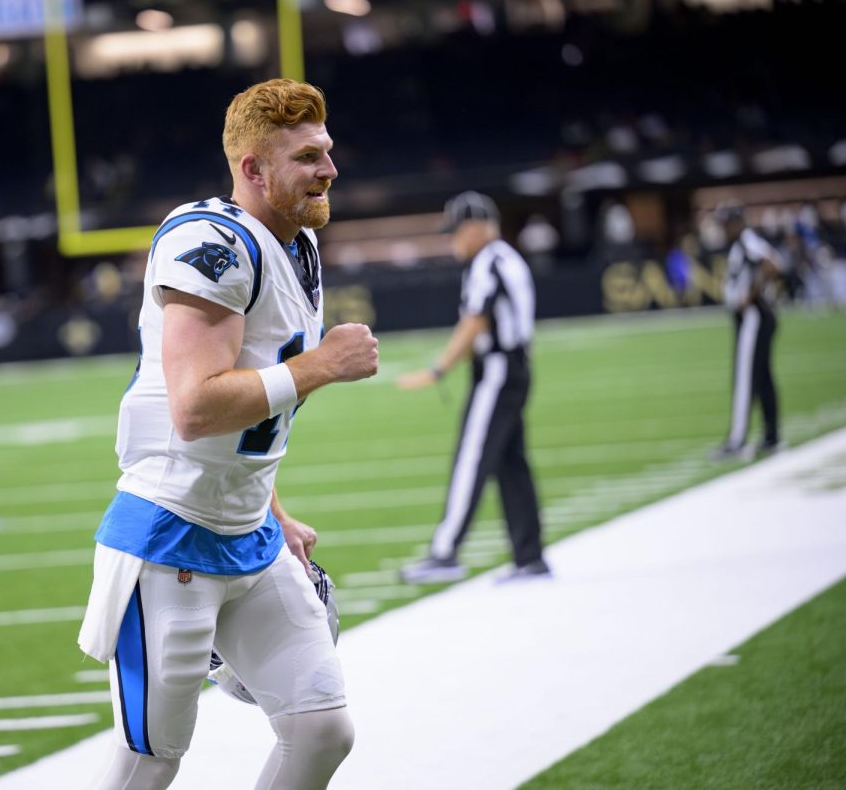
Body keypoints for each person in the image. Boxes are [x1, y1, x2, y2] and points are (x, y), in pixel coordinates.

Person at [77, 78, 378, 790]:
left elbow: (244, 424)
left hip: (249, 532)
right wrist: (320, 366)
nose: (328, 169)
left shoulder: (296, 243)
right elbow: (195, 409)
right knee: (149, 761)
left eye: (327, 151)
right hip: (171, 534)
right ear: (253, 168)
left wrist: (274, 509)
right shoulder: (210, 244)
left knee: (321, 730)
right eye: (307, 156)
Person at [396, 191, 550, 584]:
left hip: (498, 370)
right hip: (512, 368)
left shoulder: (489, 261)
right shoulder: (503, 258)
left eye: (457, 232)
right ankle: (530, 557)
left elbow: (476, 322)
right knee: (511, 463)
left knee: (473, 457)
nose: (454, 242)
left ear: (478, 227)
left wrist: (437, 370)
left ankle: (445, 551)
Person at [711, 203, 783, 459]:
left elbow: (772, 264)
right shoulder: (743, 242)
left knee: (745, 377)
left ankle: (737, 440)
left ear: (737, 222)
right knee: (762, 376)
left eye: (726, 223)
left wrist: (749, 296)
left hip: (753, 316)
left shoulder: (746, 240)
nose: (723, 229)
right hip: (759, 315)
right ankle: (771, 436)